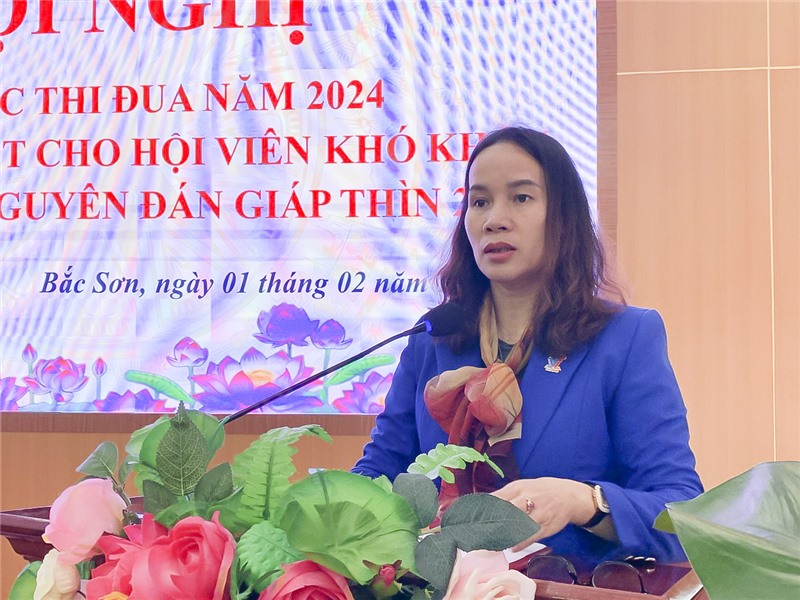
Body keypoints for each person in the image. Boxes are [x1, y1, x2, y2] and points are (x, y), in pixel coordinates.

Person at [353, 126, 703, 563]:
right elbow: (379, 474)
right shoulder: (434, 339)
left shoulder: (624, 338)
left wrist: (584, 502)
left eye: (521, 198)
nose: (494, 219)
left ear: (562, 217)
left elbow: (681, 515)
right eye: (480, 202)